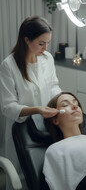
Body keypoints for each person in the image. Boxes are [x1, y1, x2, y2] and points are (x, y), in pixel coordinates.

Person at [0, 16, 61, 189]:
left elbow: (53, 86)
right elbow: (7, 106)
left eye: (47, 43)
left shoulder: (47, 58)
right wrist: (37, 110)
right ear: (26, 39)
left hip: (45, 125)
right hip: (21, 128)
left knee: (42, 172)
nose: (45, 48)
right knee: (21, 176)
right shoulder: (9, 66)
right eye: (41, 43)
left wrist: (62, 100)